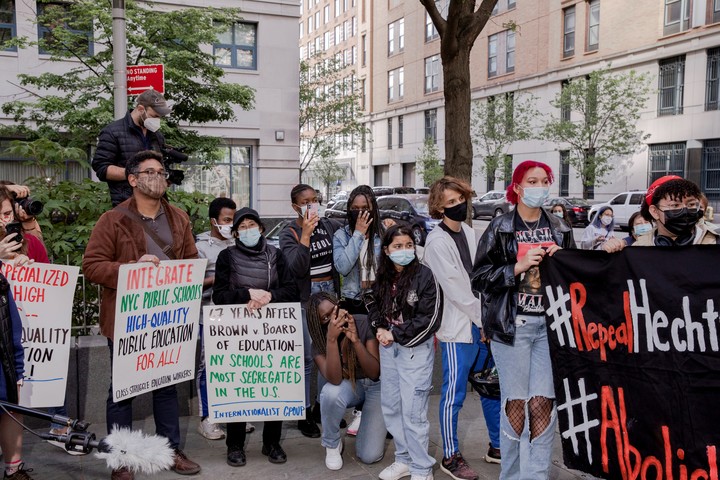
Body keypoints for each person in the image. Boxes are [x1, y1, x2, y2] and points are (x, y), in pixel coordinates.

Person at [82, 150, 201, 480]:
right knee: (122, 391)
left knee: (166, 387)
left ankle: (170, 450)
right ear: (132, 180)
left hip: (167, 319)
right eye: (150, 172)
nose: (158, 177)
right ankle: (122, 459)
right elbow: (91, 266)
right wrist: (128, 269)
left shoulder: (179, 218)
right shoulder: (113, 219)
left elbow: (189, 262)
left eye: (162, 171)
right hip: (126, 321)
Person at [472, 160, 574, 480]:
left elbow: (575, 280)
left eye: (545, 180)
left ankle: (536, 475)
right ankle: (512, 474)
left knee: (543, 404)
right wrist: (516, 267)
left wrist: (566, 262)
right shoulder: (500, 226)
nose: (540, 186)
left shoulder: (560, 227)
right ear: (517, 187)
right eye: (532, 181)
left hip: (549, 327)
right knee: (516, 406)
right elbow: (479, 278)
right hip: (512, 326)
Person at [422, 176, 501, 480]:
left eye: (460, 199)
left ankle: (496, 447)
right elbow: (456, 290)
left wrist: (484, 321)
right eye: (450, 203)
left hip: (479, 324)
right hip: (457, 330)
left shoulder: (469, 231)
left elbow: (480, 277)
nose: (457, 206)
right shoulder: (437, 242)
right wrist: (486, 321)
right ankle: (450, 456)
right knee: (453, 394)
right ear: (439, 208)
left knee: (491, 388)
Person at [212, 207, 297, 467]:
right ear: (236, 233)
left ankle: (271, 442)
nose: (248, 230)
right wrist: (247, 294)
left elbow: (292, 290)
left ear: (261, 228)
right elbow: (219, 296)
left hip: (273, 329)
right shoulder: (226, 257)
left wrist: (270, 296)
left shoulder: (276, 255)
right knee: (239, 385)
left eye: (252, 225)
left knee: (274, 384)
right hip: (239, 331)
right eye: (242, 227)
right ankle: (235, 445)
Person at [367, 225, 442, 480]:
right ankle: (404, 459)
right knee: (392, 407)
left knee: (413, 412)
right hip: (389, 351)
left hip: (415, 352)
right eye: (397, 246)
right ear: (386, 250)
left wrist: (395, 334)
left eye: (408, 245)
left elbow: (430, 319)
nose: (404, 251)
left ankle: (422, 468)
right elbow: (372, 301)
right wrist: (379, 326)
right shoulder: (384, 276)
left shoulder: (425, 276)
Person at [280, 184, 339, 438]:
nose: (312, 205)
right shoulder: (289, 232)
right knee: (306, 358)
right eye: (306, 202)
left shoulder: (328, 225)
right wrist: (305, 235)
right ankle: (303, 412)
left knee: (329, 351)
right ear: (295, 206)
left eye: (315, 200)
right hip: (305, 299)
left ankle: (320, 408)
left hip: (329, 295)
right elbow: (295, 269)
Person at [194, 197, 256, 439]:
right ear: (214, 221)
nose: (232, 224)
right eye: (227, 220)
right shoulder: (199, 248)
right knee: (208, 367)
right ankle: (207, 418)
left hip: (238, 316)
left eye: (234, 219)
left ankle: (236, 414)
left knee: (237, 365)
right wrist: (221, 278)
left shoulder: (239, 242)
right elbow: (194, 283)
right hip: (209, 315)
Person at [306, 292, 385, 472]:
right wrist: (332, 339)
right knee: (329, 393)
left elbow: (374, 373)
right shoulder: (319, 341)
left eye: (334, 310)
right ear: (318, 323)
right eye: (325, 318)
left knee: (369, 456)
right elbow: (334, 379)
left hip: (375, 386)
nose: (334, 318)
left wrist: (356, 340)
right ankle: (332, 444)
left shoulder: (363, 322)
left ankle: (369, 420)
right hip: (350, 386)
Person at [92, 89, 171, 207]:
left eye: (159, 117)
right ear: (140, 109)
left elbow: (160, 166)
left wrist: (167, 175)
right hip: (127, 204)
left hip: (157, 203)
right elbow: (101, 168)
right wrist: (138, 175)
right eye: (154, 116)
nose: (157, 121)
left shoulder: (156, 135)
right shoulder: (112, 132)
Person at [0, 266, 33, 479]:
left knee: (11, 411)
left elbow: (13, 327)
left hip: (3, 366)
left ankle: (14, 469)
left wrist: (18, 372)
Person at [333, 185, 382, 314]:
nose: (360, 212)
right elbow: (343, 268)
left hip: (380, 298)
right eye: (355, 208)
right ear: (349, 209)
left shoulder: (382, 234)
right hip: (353, 300)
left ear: (373, 209)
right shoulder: (341, 235)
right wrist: (358, 234)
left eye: (365, 208)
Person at [634, 175, 718, 246]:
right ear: (655, 212)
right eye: (675, 205)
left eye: (691, 204)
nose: (685, 210)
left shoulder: (715, 243)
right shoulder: (638, 248)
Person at [0, 187, 48, 264]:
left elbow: (46, 273)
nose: (1, 220)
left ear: (14, 213)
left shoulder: (32, 242)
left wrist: (29, 268)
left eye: (7, 213)